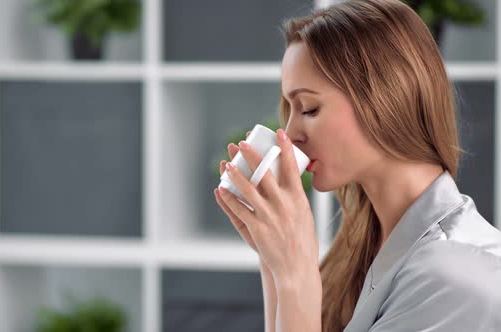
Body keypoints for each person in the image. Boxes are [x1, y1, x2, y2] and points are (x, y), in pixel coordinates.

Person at [213, 0, 501, 331]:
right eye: (289, 109)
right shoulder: (368, 249)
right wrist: (274, 260)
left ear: (385, 100)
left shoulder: (456, 281)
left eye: (308, 108)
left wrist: (295, 274)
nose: (290, 134)